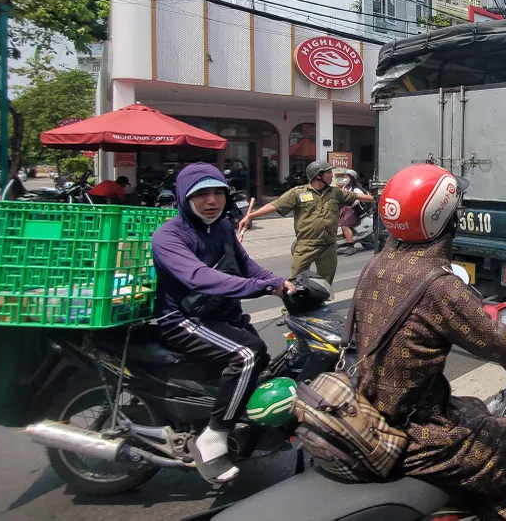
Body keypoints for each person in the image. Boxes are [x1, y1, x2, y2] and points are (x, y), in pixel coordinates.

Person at [352, 163, 506, 521]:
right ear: (445, 220)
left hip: (369, 409)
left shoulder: (377, 266)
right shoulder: (440, 286)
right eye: (457, 211)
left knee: (477, 406)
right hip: (413, 434)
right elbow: (501, 344)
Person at [151, 163, 295, 484]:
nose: (212, 201)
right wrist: (262, 288)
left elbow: (246, 266)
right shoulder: (168, 237)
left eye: (219, 193)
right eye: (201, 194)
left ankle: (242, 423)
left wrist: (283, 283)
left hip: (218, 315)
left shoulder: (223, 227)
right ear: (184, 197)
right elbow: (200, 278)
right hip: (182, 320)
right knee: (248, 354)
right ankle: (214, 436)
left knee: (265, 360)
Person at [237, 160, 373, 283]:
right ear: (318, 176)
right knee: (296, 281)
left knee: (326, 281)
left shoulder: (335, 193)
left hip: (329, 246)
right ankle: (295, 302)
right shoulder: (298, 193)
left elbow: (357, 196)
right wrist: (251, 215)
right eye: (328, 173)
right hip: (306, 245)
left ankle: (321, 301)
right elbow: (275, 205)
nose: (332, 175)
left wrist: (378, 198)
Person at [336, 169, 370, 256]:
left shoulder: (356, 189)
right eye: (344, 177)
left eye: (346, 177)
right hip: (344, 210)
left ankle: (351, 246)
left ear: (351, 178)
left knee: (345, 226)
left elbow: (356, 200)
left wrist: (346, 203)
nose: (344, 179)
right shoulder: (345, 187)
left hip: (353, 211)